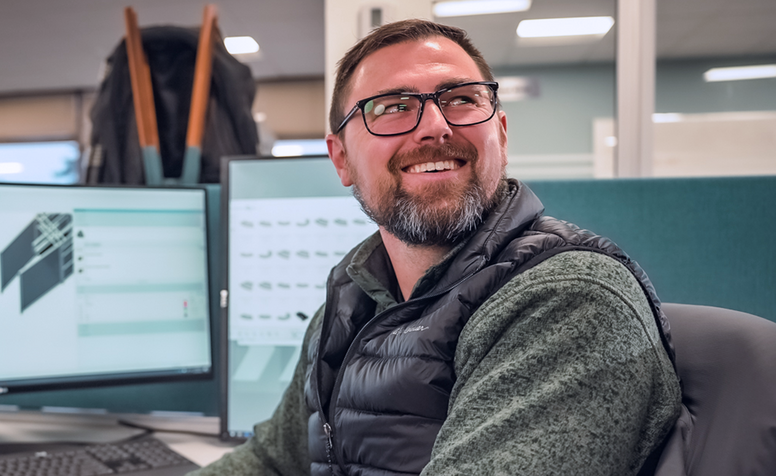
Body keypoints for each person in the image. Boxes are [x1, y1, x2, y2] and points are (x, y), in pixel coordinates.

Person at [191, 19, 681, 476]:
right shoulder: (349, 306)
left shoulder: (569, 301)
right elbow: (272, 461)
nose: (435, 126)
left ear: (501, 136)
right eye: (393, 107)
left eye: (462, 99)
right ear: (341, 159)